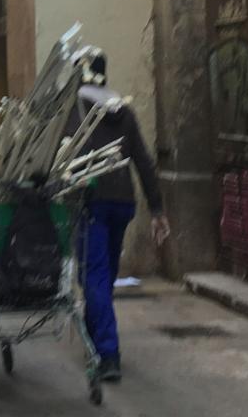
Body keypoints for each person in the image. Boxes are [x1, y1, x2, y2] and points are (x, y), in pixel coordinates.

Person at [75, 56, 169, 384]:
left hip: (93, 203)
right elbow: (142, 160)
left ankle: (108, 352)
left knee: (95, 276)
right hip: (123, 203)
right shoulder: (122, 109)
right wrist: (157, 209)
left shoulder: (78, 111)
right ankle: (94, 330)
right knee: (105, 273)